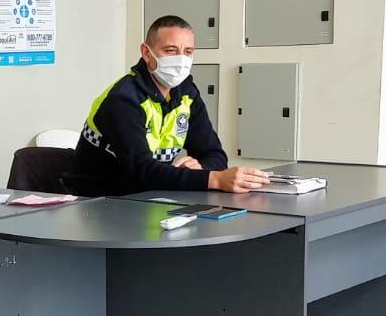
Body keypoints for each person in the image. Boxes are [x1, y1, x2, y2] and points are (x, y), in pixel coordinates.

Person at [64, 15, 269, 196]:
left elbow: (215, 154)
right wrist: (215, 179)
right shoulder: (123, 99)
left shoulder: (187, 93)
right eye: (171, 50)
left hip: (150, 198)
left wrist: (201, 167)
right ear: (146, 52)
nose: (181, 60)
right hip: (99, 204)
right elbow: (142, 171)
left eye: (187, 52)